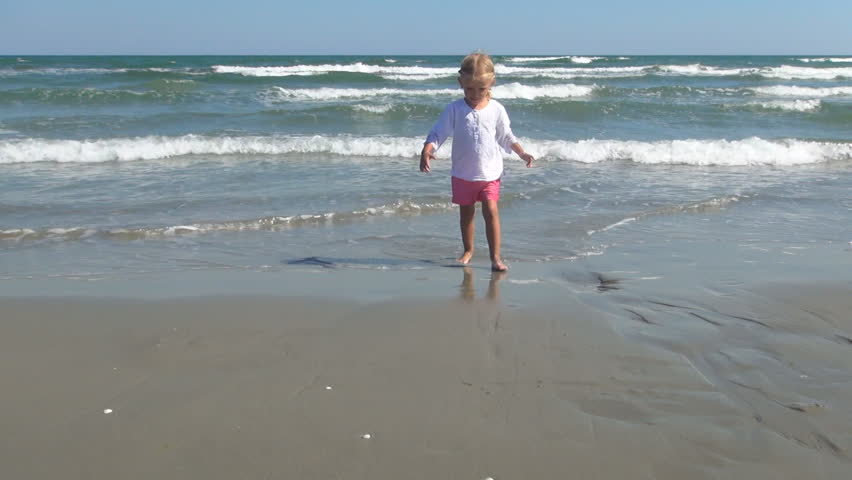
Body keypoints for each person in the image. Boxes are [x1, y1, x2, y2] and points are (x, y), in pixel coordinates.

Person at [419, 52, 534, 272]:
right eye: (469, 88)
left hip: (490, 173)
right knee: (466, 214)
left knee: (491, 210)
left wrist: (522, 153)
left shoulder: (497, 109)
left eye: (481, 89)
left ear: (492, 83)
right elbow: (438, 133)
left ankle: (495, 257)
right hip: (463, 173)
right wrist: (427, 150)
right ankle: (468, 250)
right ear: (460, 83)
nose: (474, 94)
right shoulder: (454, 109)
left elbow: (506, 136)